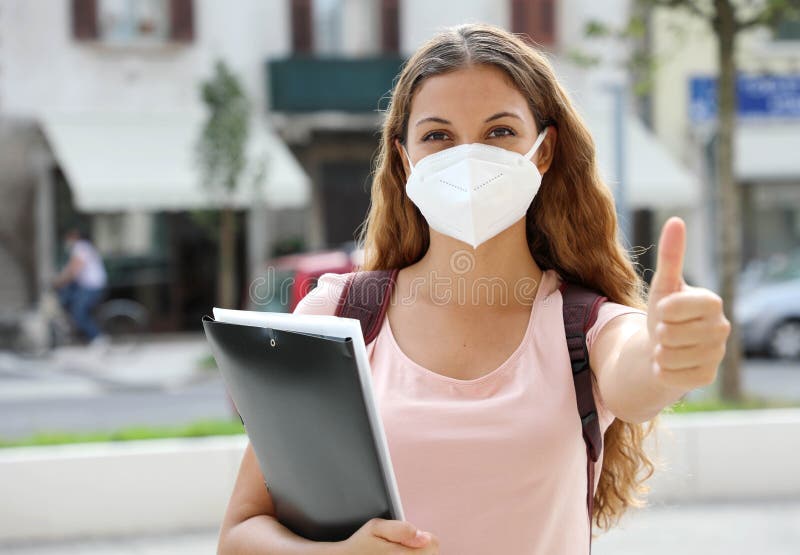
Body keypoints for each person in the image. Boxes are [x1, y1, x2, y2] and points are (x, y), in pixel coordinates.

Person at [217, 23, 730, 555]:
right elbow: (239, 535)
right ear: (404, 158)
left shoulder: (584, 327)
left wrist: (668, 356)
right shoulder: (336, 315)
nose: (467, 158)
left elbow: (638, 371)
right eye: (438, 135)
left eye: (500, 132)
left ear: (545, 150)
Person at [53, 227, 108, 345]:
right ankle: (74, 331)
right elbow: (70, 269)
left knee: (78, 312)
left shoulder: (80, 248)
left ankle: (97, 338)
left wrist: (59, 282)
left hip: (91, 286)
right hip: (89, 285)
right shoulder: (85, 247)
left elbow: (74, 269)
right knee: (67, 299)